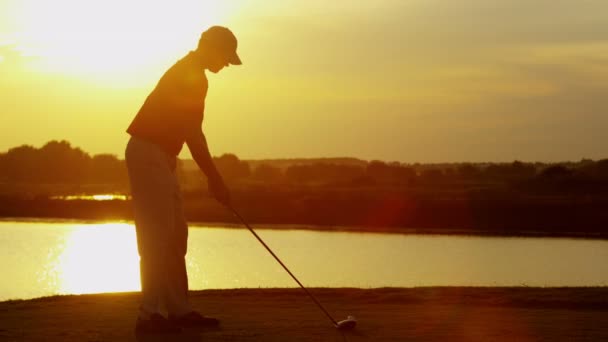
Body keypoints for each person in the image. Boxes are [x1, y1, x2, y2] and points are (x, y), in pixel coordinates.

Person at [125, 26, 242, 334]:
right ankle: (149, 316)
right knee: (157, 237)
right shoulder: (190, 76)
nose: (227, 64)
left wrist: (211, 177)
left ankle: (178, 310)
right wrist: (215, 179)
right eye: (226, 57)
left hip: (162, 156)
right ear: (210, 48)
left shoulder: (194, 74)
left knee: (176, 235)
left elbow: (191, 132)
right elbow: (194, 134)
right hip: (147, 152)